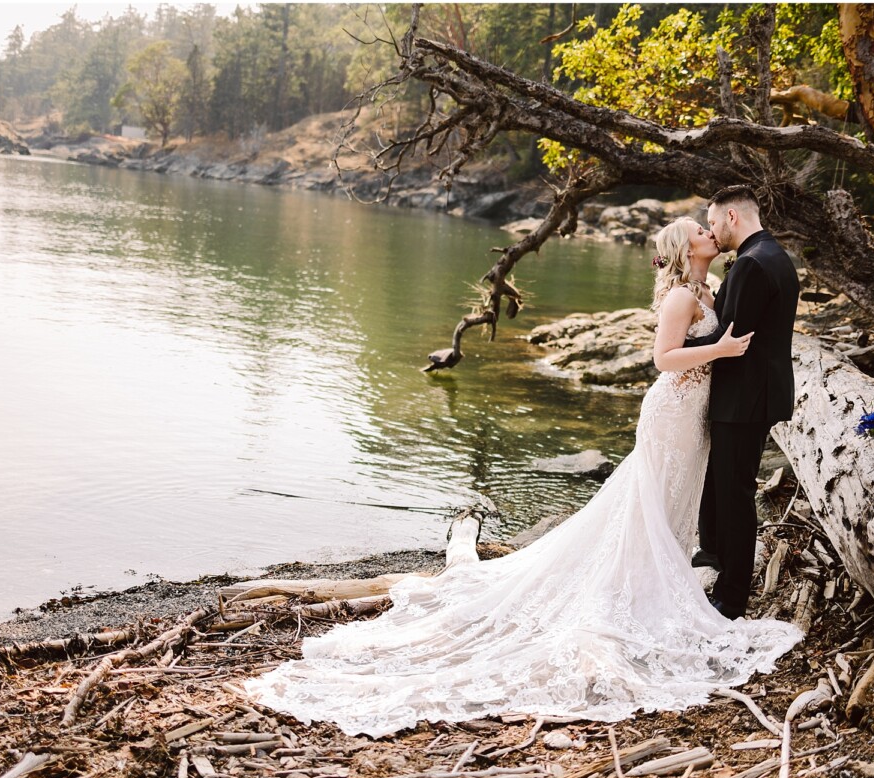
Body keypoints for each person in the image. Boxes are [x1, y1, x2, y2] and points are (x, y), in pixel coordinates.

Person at [243, 217, 802, 739]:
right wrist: (721, 348)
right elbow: (662, 359)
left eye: (710, 226)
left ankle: (658, 576)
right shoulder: (682, 296)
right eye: (700, 230)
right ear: (685, 249)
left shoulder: (708, 290)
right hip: (673, 409)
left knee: (670, 496)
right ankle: (630, 584)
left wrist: (724, 350)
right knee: (649, 496)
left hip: (696, 410)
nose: (710, 231)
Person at [685, 186, 801, 620]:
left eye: (713, 222)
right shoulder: (769, 254)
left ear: (731, 216)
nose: (712, 231)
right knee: (720, 479)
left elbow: (729, 337)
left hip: (746, 395)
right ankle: (713, 553)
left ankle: (732, 597)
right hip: (752, 390)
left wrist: (678, 345)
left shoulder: (753, 263)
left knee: (735, 492)